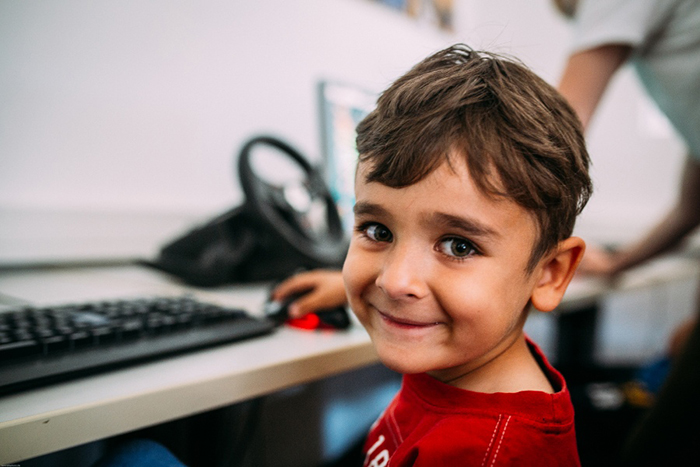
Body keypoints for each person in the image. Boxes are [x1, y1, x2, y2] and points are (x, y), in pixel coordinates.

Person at [281, 43, 592, 465]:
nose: (394, 281)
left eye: (458, 246)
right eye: (378, 231)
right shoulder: (476, 358)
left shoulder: (489, 454)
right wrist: (346, 285)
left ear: (549, 273)